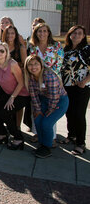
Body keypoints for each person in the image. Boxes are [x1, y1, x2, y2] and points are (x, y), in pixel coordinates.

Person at [24, 55, 68, 158]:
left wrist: (51, 109)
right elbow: (33, 95)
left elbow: (54, 96)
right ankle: (42, 143)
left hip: (59, 101)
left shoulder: (49, 76)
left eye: (36, 64)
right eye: (30, 64)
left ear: (41, 65)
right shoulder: (29, 77)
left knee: (46, 123)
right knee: (38, 119)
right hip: (43, 99)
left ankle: (47, 147)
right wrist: (38, 109)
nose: (33, 67)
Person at [0, 43, 30, 150]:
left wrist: (12, 98)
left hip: (21, 94)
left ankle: (18, 138)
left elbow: (21, 83)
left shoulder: (12, 64)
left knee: (4, 113)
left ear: (7, 52)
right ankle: (3, 134)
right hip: (7, 94)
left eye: (2, 51)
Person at [60, 25, 90, 155]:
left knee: (79, 114)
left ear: (83, 36)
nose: (76, 35)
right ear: (69, 35)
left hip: (81, 86)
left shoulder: (87, 49)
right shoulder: (66, 49)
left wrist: (84, 81)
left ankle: (80, 143)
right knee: (69, 112)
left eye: (79, 33)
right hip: (67, 86)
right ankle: (71, 135)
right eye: (73, 33)